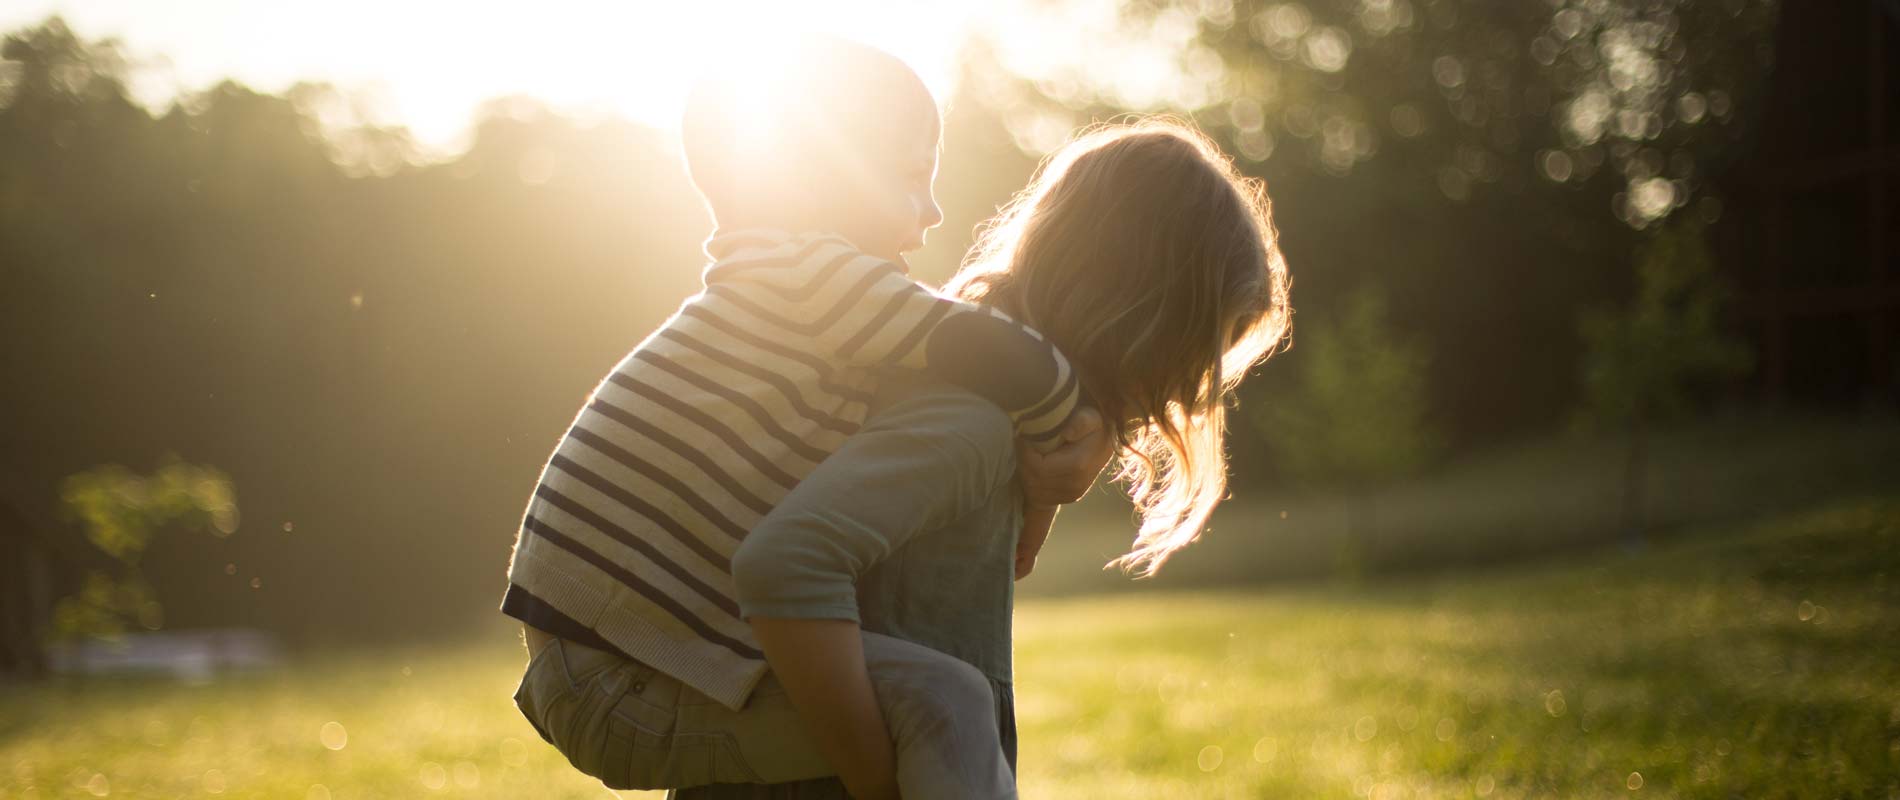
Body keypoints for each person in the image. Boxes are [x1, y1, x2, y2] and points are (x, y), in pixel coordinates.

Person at [503, 35, 1109, 800]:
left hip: (616, 659)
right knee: (947, 702)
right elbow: (998, 354)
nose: (933, 209)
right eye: (911, 177)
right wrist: (1072, 437)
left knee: (936, 700)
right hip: (623, 678)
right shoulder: (810, 277)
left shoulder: (781, 289)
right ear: (823, 176)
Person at [672, 117, 1293, 799]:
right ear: (1141, 313)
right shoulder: (971, 424)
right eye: (1199, 349)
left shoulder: (997, 414)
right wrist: (875, 780)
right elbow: (786, 561)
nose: (1190, 389)